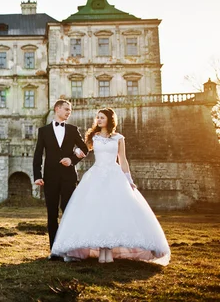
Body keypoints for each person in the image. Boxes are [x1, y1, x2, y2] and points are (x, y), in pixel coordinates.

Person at [50, 108, 171, 264]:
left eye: (102, 118)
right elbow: (81, 151)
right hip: (96, 176)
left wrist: (129, 179)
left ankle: (109, 252)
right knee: (98, 212)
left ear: (109, 120)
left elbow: (123, 160)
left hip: (114, 176)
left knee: (112, 212)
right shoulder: (94, 137)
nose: (98, 120)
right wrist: (70, 158)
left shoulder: (119, 138)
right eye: (97, 118)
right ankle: (101, 251)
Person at [33, 99, 89, 260]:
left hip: (68, 177)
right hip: (49, 177)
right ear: (57, 109)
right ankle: (54, 250)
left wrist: (72, 159)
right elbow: (38, 154)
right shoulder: (43, 131)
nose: (68, 113)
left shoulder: (72, 130)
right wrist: (37, 175)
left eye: (70, 111)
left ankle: (69, 249)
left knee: (68, 211)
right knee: (51, 214)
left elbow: (84, 148)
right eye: (66, 109)